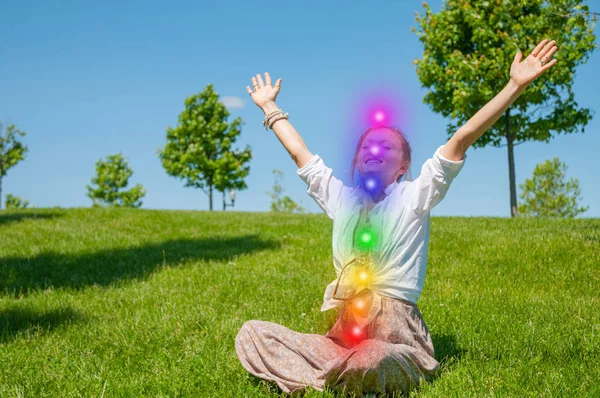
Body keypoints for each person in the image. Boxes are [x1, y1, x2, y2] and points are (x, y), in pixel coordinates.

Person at [235, 39, 558, 396]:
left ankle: (343, 376)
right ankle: (340, 375)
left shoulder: (414, 197)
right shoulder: (342, 199)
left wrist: (514, 86)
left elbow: (463, 138)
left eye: (386, 147)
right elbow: (301, 154)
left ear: (402, 166)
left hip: (394, 337)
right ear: (358, 161)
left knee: (373, 358)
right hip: (343, 336)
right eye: (367, 147)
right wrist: (269, 107)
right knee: (253, 333)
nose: (375, 151)